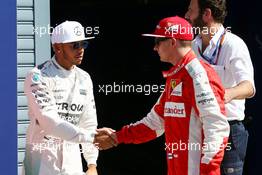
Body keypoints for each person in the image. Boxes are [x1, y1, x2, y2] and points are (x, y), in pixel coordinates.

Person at [94, 16, 230, 175]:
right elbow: (154, 124)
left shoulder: (198, 75)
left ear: (172, 42)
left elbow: (217, 128)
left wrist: (209, 170)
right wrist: (117, 137)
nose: (154, 48)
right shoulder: (176, 74)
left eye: (157, 41)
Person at [185, 0, 255, 174]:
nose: (187, 15)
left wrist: (224, 94)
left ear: (206, 14)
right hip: (198, 128)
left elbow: (249, 87)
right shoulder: (193, 45)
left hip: (229, 130)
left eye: (191, 10)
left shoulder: (234, 44)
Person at [23, 21, 99, 175]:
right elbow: (50, 122)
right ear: (57, 47)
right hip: (42, 160)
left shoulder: (85, 78)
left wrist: (92, 163)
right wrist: (91, 137)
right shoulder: (37, 76)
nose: (81, 50)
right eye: (74, 45)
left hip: (72, 162)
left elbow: (88, 122)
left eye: (83, 44)